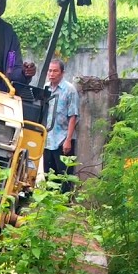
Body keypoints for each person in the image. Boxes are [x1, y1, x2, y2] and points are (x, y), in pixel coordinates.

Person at [42, 59, 79, 191]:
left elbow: (73, 116)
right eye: (50, 71)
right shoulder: (45, 88)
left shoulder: (69, 90)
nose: (52, 74)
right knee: (49, 177)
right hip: (48, 139)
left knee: (64, 177)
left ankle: (65, 206)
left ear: (62, 73)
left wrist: (68, 140)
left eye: (55, 71)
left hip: (63, 140)